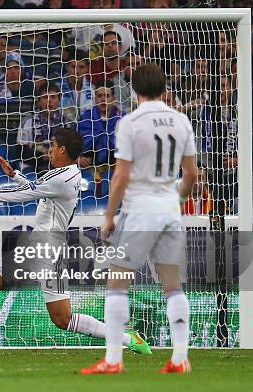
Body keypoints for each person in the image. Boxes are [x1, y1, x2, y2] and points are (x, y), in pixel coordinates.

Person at [0, 129, 150, 356]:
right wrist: (14, 175)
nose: (49, 151)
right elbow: (36, 188)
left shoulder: (63, 177)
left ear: (62, 149)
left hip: (49, 251)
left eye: (52, 146)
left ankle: (129, 339)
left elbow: (26, 194)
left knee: (62, 319)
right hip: (33, 245)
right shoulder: (65, 174)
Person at [80, 63, 197, 374]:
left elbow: (120, 176)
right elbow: (192, 174)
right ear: (164, 88)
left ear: (134, 90)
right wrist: (177, 200)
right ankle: (180, 358)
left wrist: (109, 217)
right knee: (172, 284)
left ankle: (114, 359)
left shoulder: (131, 122)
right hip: (170, 209)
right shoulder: (181, 120)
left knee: (117, 283)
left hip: (140, 209)